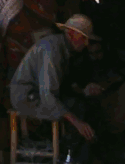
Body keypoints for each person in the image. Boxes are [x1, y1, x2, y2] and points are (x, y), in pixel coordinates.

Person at [10, 15, 98, 160]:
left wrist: (83, 91)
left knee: (81, 104)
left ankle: (69, 154)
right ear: (71, 34)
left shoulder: (65, 48)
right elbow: (48, 95)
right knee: (77, 109)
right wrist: (77, 122)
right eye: (83, 38)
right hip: (27, 97)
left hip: (40, 94)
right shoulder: (52, 49)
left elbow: (62, 84)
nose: (86, 43)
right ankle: (68, 156)